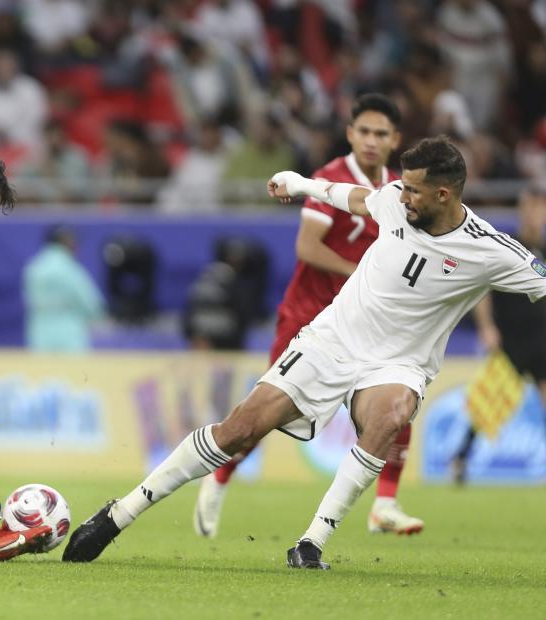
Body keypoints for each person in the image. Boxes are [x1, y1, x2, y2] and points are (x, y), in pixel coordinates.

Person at [61, 136, 546, 569]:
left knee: (391, 413)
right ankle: (120, 513)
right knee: (240, 429)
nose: (403, 194)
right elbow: (352, 196)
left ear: (445, 194)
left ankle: (313, 541)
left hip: (399, 363)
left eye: (414, 189)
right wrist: (302, 184)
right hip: (332, 339)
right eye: (403, 186)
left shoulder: (492, 249)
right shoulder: (396, 201)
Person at [194, 94, 424, 538]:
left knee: (396, 404)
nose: (372, 141)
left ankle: (386, 504)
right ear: (350, 134)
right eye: (365, 132)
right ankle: (219, 476)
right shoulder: (330, 180)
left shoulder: (398, 191)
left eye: (381, 134)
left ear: (395, 140)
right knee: (264, 415)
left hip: (365, 325)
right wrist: (362, 272)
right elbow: (307, 247)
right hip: (308, 317)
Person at [452, 187, 546, 483]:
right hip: (511, 340)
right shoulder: (508, 246)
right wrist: (486, 327)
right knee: (488, 405)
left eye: (539, 207)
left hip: (542, 338)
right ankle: (460, 459)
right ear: (521, 209)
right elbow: (483, 289)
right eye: (529, 207)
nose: (534, 213)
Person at [24, 226, 105, 352]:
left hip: (40, 328)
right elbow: (88, 299)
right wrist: (98, 317)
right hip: (69, 327)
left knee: (43, 370)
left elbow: (29, 299)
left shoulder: (34, 267)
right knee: (72, 370)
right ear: (66, 242)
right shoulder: (69, 267)